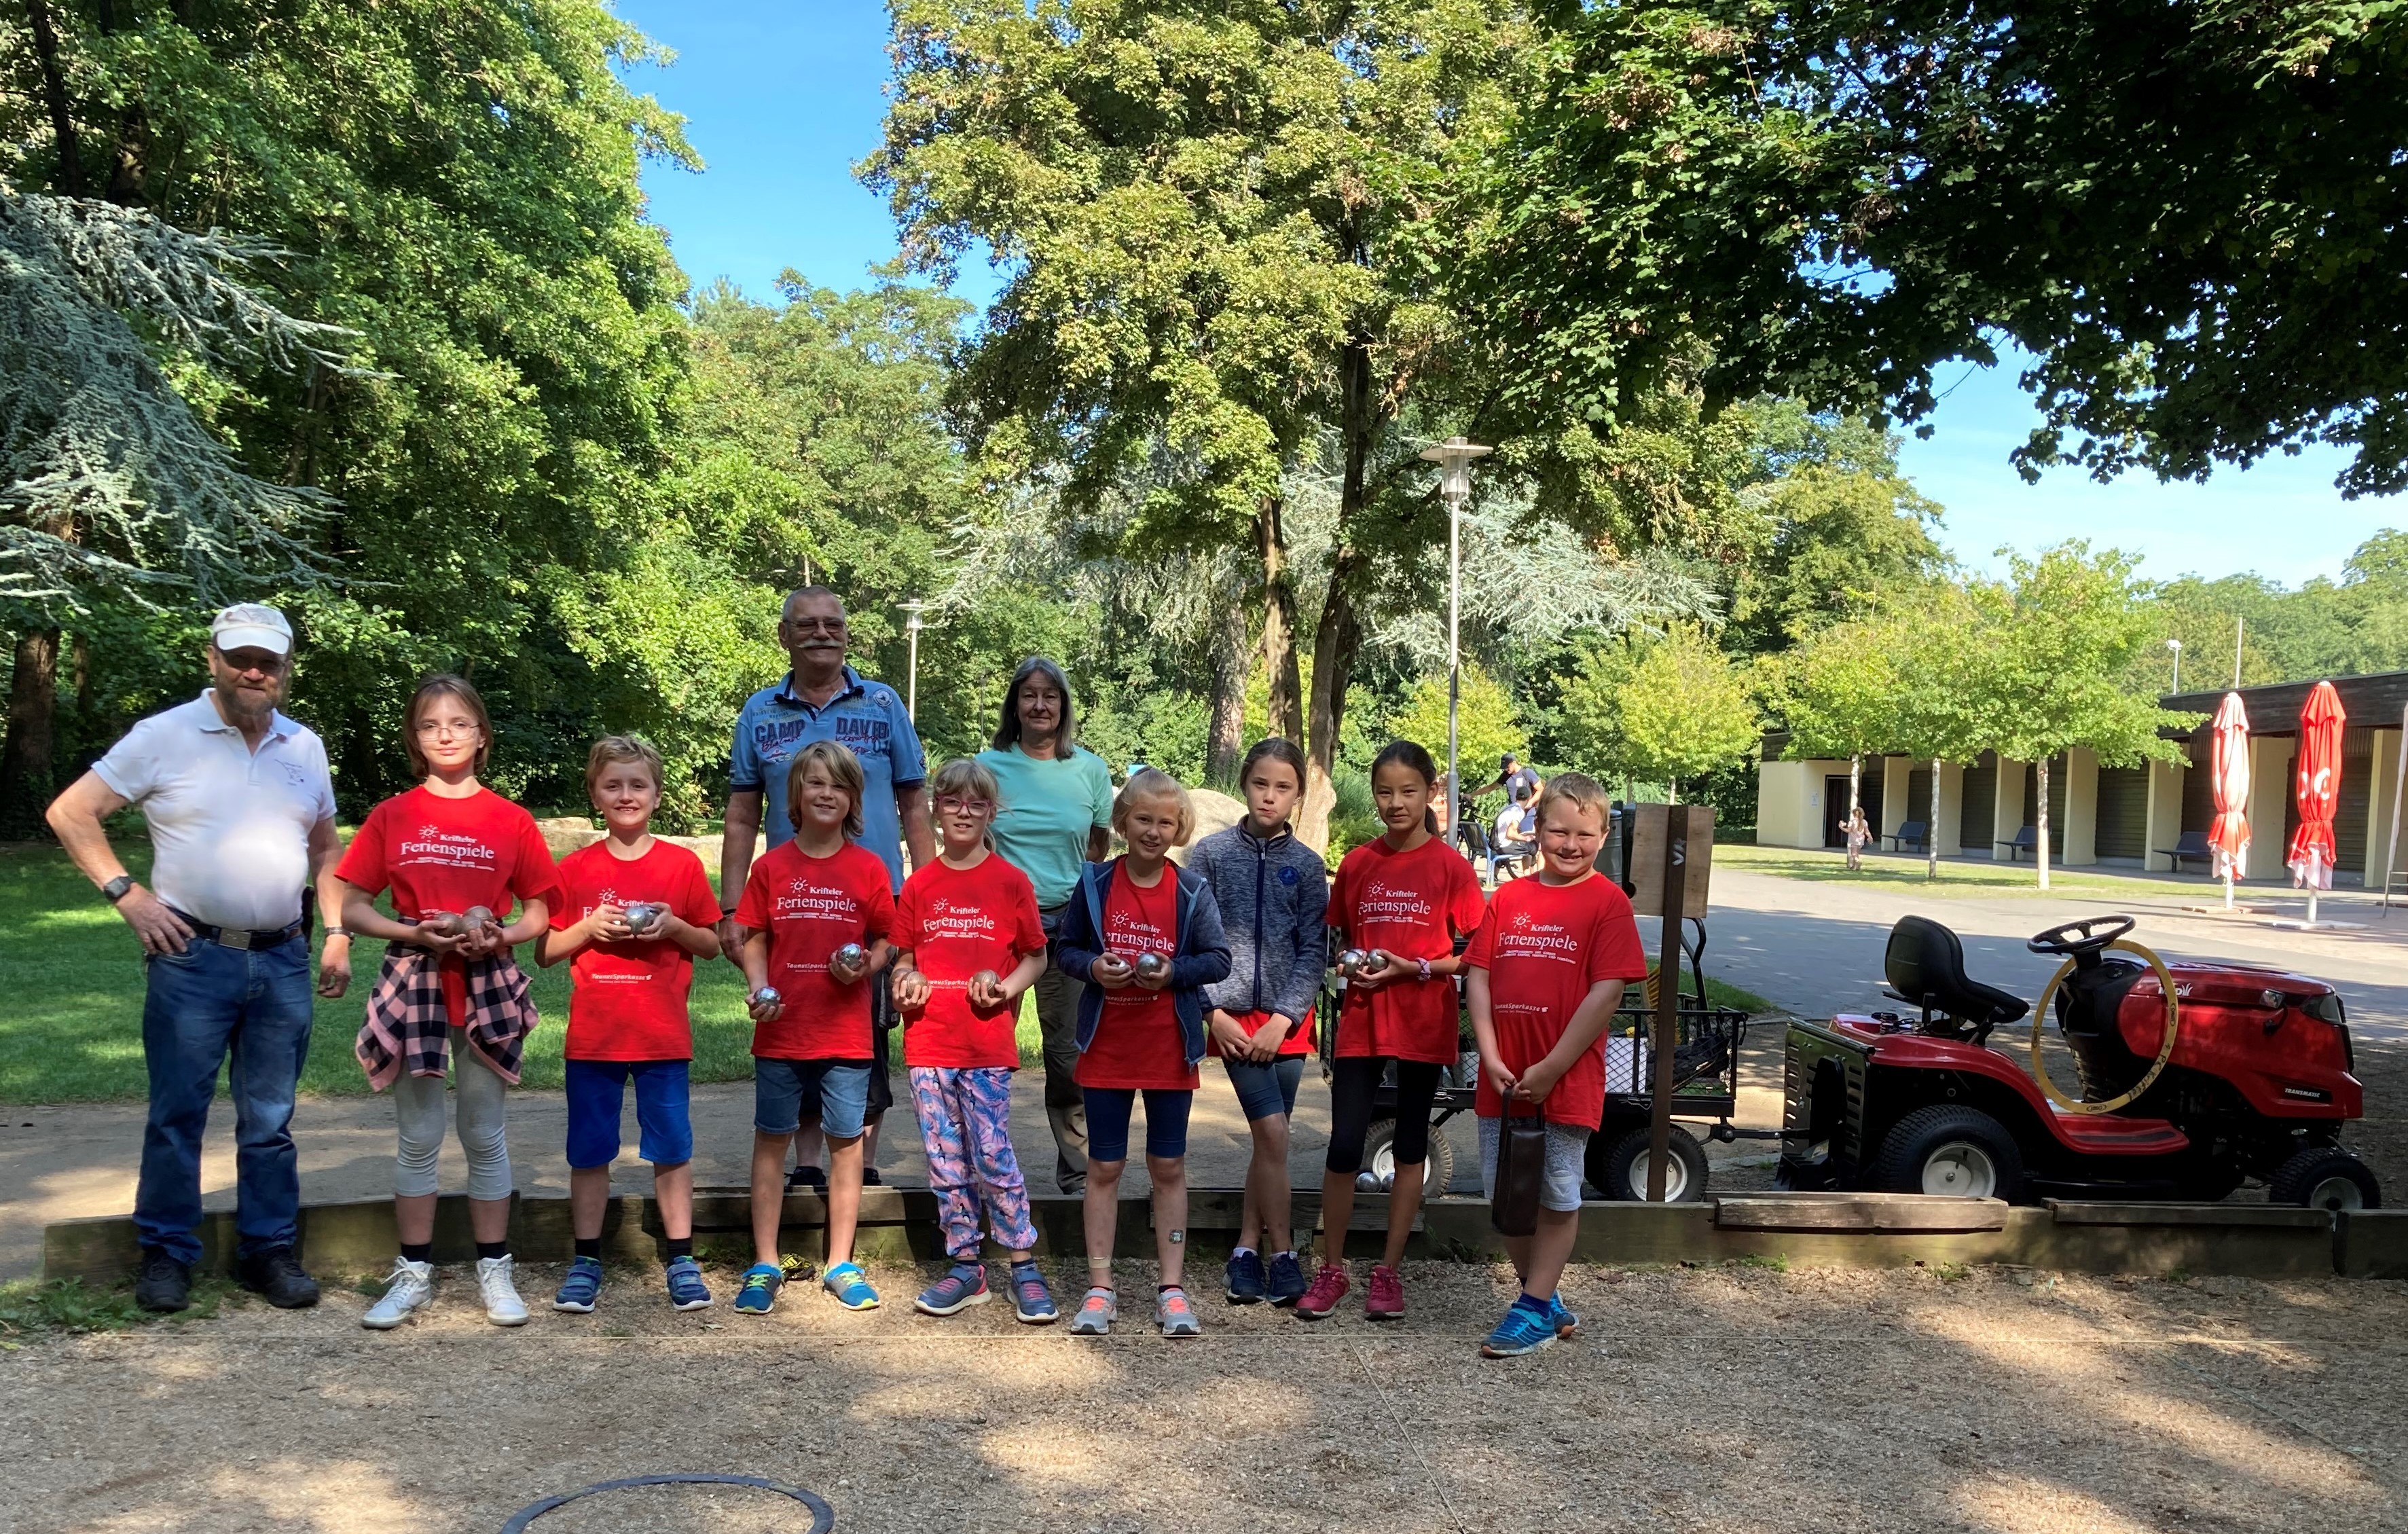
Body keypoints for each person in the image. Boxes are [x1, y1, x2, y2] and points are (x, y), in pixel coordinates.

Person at [43, 604, 350, 1314]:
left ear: (285, 670)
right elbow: (71, 811)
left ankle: (268, 1253)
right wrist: (128, 896)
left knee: (270, 1120)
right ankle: (166, 1255)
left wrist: (336, 929)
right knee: (178, 1113)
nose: (255, 671)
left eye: (269, 662)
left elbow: (326, 847)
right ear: (212, 658)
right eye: (241, 657)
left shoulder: (304, 746)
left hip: (283, 959)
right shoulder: (166, 735)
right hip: (192, 958)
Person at [340, 674, 561, 1330]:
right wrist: (411, 930)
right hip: (416, 979)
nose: (445, 733)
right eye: (431, 723)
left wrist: (501, 934)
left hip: (487, 983)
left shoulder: (509, 818)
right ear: (415, 736)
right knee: (418, 1137)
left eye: (459, 723)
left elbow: (539, 911)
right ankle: (413, 1272)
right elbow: (353, 904)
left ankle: (495, 1266)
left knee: (484, 1134)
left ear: (481, 735)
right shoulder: (393, 814)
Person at [720, 587, 931, 1193]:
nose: (822, 634)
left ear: (847, 633)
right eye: (807, 625)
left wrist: (926, 893)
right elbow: (740, 816)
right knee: (801, 1029)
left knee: (864, 1032)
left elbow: (914, 803)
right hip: (791, 907)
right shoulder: (761, 712)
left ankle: (860, 1164)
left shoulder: (885, 702)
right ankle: (807, 1164)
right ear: (784, 635)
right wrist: (732, 908)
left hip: (874, 904)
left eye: (832, 624)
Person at [1299, 740, 1487, 1323]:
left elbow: (1477, 953)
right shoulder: (1358, 863)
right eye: (1385, 791)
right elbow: (1337, 942)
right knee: (1343, 1146)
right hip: (1361, 1023)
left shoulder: (1450, 866)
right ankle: (1331, 1268)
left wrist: (1417, 967)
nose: (1395, 802)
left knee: (1410, 1146)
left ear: (1430, 792)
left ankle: (1388, 1273)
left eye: (1408, 791)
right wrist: (1349, 965)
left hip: (1423, 1023)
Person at [537, 737, 723, 1314]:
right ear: (595, 795)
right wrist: (590, 928)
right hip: (593, 1038)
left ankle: (682, 1256)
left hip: (661, 1035)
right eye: (613, 785)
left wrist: (672, 928)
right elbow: (545, 949)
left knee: (671, 1148)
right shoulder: (575, 869)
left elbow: (713, 944)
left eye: (637, 784)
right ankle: (587, 1257)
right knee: (589, 1151)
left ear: (657, 794)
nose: (626, 795)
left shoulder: (681, 864)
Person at [1465, 772, 1646, 1357]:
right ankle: (1540, 1295)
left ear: (1603, 835)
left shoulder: (1608, 903)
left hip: (1563, 1078)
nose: (1570, 844)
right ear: (1536, 829)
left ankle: (1534, 1307)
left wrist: (1551, 1065)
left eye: (1585, 834)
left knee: (1557, 1188)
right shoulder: (1511, 898)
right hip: (1504, 1077)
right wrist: (1489, 1053)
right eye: (1558, 831)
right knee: (1509, 1196)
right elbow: (1480, 976)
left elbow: (1607, 993)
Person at [1055, 769, 1232, 1338]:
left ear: (1180, 827)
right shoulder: (1094, 884)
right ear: (1123, 821)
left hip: (1167, 1050)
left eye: (1166, 821)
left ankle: (1172, 1289)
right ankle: (1100, 1286)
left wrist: (1174, 972)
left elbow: (1218, 960)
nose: (1154, 831)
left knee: (1169, 1167)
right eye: (1143, 819)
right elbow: (1066, 949)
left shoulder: (1191, 890)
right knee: (1103, 1166)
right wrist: (1093, 967)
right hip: (1107, 1049)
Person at [888, 758, 1057, 1323]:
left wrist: (1005, 988)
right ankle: (965, 1265)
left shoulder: (1011, 881)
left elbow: (1037, 954)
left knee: (993, 1153)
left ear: (992, 812)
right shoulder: (920, 884)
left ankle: (1022, 1264)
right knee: (944, 1159)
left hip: (986, 1045)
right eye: (953, 801)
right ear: (935, 807)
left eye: (976, 803)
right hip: (930, 1043)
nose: (964, 811)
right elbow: (905, 957)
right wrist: (905, 982)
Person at [730, 742, 896, 1317]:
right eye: (815, 783)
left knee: (846, 1147)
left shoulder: (868, 866)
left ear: (853, 799)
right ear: (795, 794)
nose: (827, 793)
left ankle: (841, 1262)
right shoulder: (771, 866)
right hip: (782, 1029)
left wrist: (868, 965)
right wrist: (757, 986)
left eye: (839, 785)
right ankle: (765, 1261)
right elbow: (753, 935)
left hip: (846, 1033)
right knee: (771, 1141)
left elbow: (885, 938)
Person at [1188, 737, 1326, 1307]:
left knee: (1271, 1143)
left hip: (1285, 1023)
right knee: (1272, 1135)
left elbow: (1313, 948)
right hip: (1233, 1022)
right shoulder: (1211, 854)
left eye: (1283, 787)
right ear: (1244, 784)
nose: (1270, 795)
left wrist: (1284, 1018)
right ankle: (1285, 1253)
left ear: (1297, 795)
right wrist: (1212, 1012)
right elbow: (1188, 940)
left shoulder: (1308, 865)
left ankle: (1246, 1249)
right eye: (1261, 783)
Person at [977, 657, 1116, 1193]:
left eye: (1050, 696)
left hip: (1068, 930)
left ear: (1063, 706)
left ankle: (1077, 1166)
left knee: (1067, 1053)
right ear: (1015, 704)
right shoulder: (989, 766)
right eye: (1029, 695)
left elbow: (1098, 849)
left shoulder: (1090, 770)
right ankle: (984, 1160)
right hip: (1001, 929)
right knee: (988, 1045)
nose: (1040, 705)